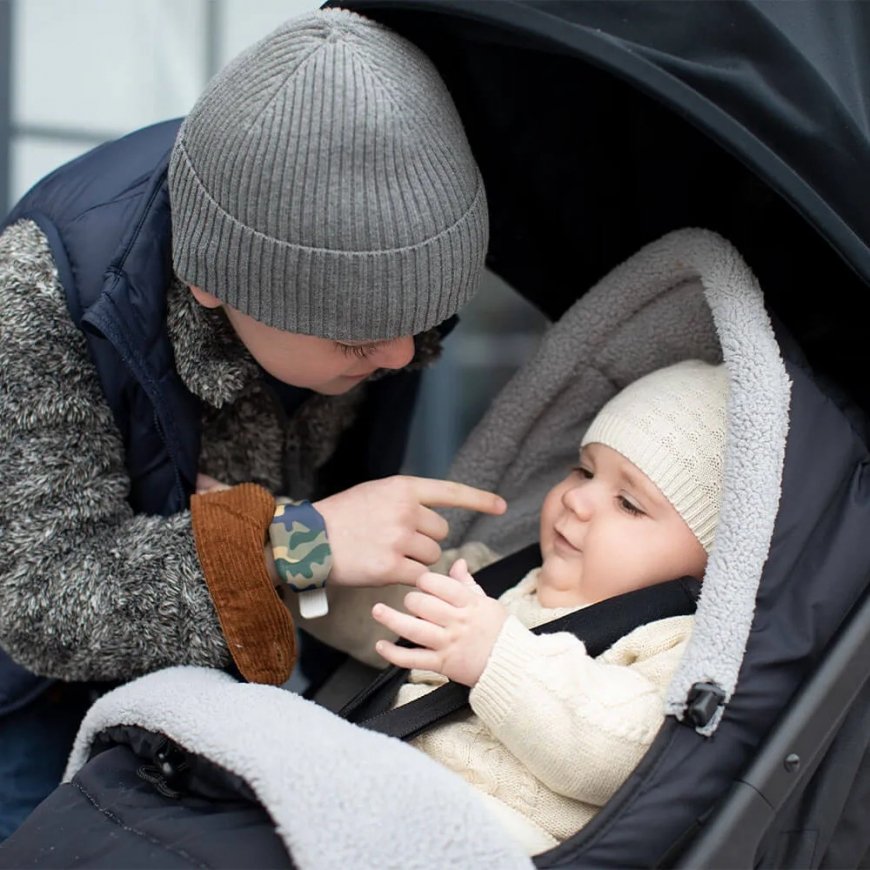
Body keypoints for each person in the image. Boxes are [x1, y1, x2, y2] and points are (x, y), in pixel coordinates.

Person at [0, 8, 502, 839]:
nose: (402, 355)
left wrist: (292, 558)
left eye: (424, 319)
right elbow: (42, 599)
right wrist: (298, 540)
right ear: (211, 281)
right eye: (356, 335)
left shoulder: (385, 296)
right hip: (35, 710)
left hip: (239, 692)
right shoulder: (44, 290)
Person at [285, 359, 729, 855]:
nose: (578, 499)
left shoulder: (677, 644)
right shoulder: (494, 579)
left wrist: (499, 657)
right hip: (376, 785)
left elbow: (624, 753)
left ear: (709, 563)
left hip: (491, 837)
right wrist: (289, 546)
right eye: (584, 470)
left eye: (628, 503)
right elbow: (367, 601)